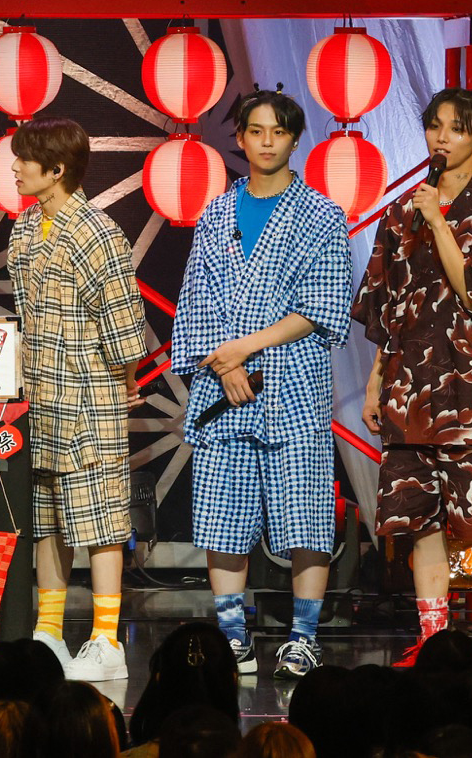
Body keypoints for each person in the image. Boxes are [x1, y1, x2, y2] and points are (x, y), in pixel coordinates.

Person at [171, 90, 352, 680]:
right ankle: (232, 636)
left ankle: (303, 637)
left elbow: (323, 305)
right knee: (223, 515)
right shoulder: (217, 213)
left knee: (306, 513)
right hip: (223, 385)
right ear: (241, 138)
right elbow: (196, 300)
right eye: (255, 130)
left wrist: (246, 348)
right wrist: (224, 366)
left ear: (295, 139)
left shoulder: (321, 214)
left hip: (292, 380)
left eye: (278, 131)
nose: (267, 141)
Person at [352, 87, 472, 669]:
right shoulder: (401, 212)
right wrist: (376, 383)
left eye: (456, 127)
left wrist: (439, 222)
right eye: (434, 126)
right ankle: (432, 639)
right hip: (407, 389)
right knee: (419, 520)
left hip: (467, 389)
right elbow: (389, 309)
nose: (442, 137)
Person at [6, 117, 148, 683]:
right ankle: (49, 631)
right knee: (45, 514)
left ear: (57, 169)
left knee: (99, 515)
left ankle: (107, 637)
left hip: (88, 393)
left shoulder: (96, 231)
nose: (15, 167)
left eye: (24, 159)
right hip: (39, 394)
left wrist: (124, 381)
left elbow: (125, 324)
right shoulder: (24, 226)